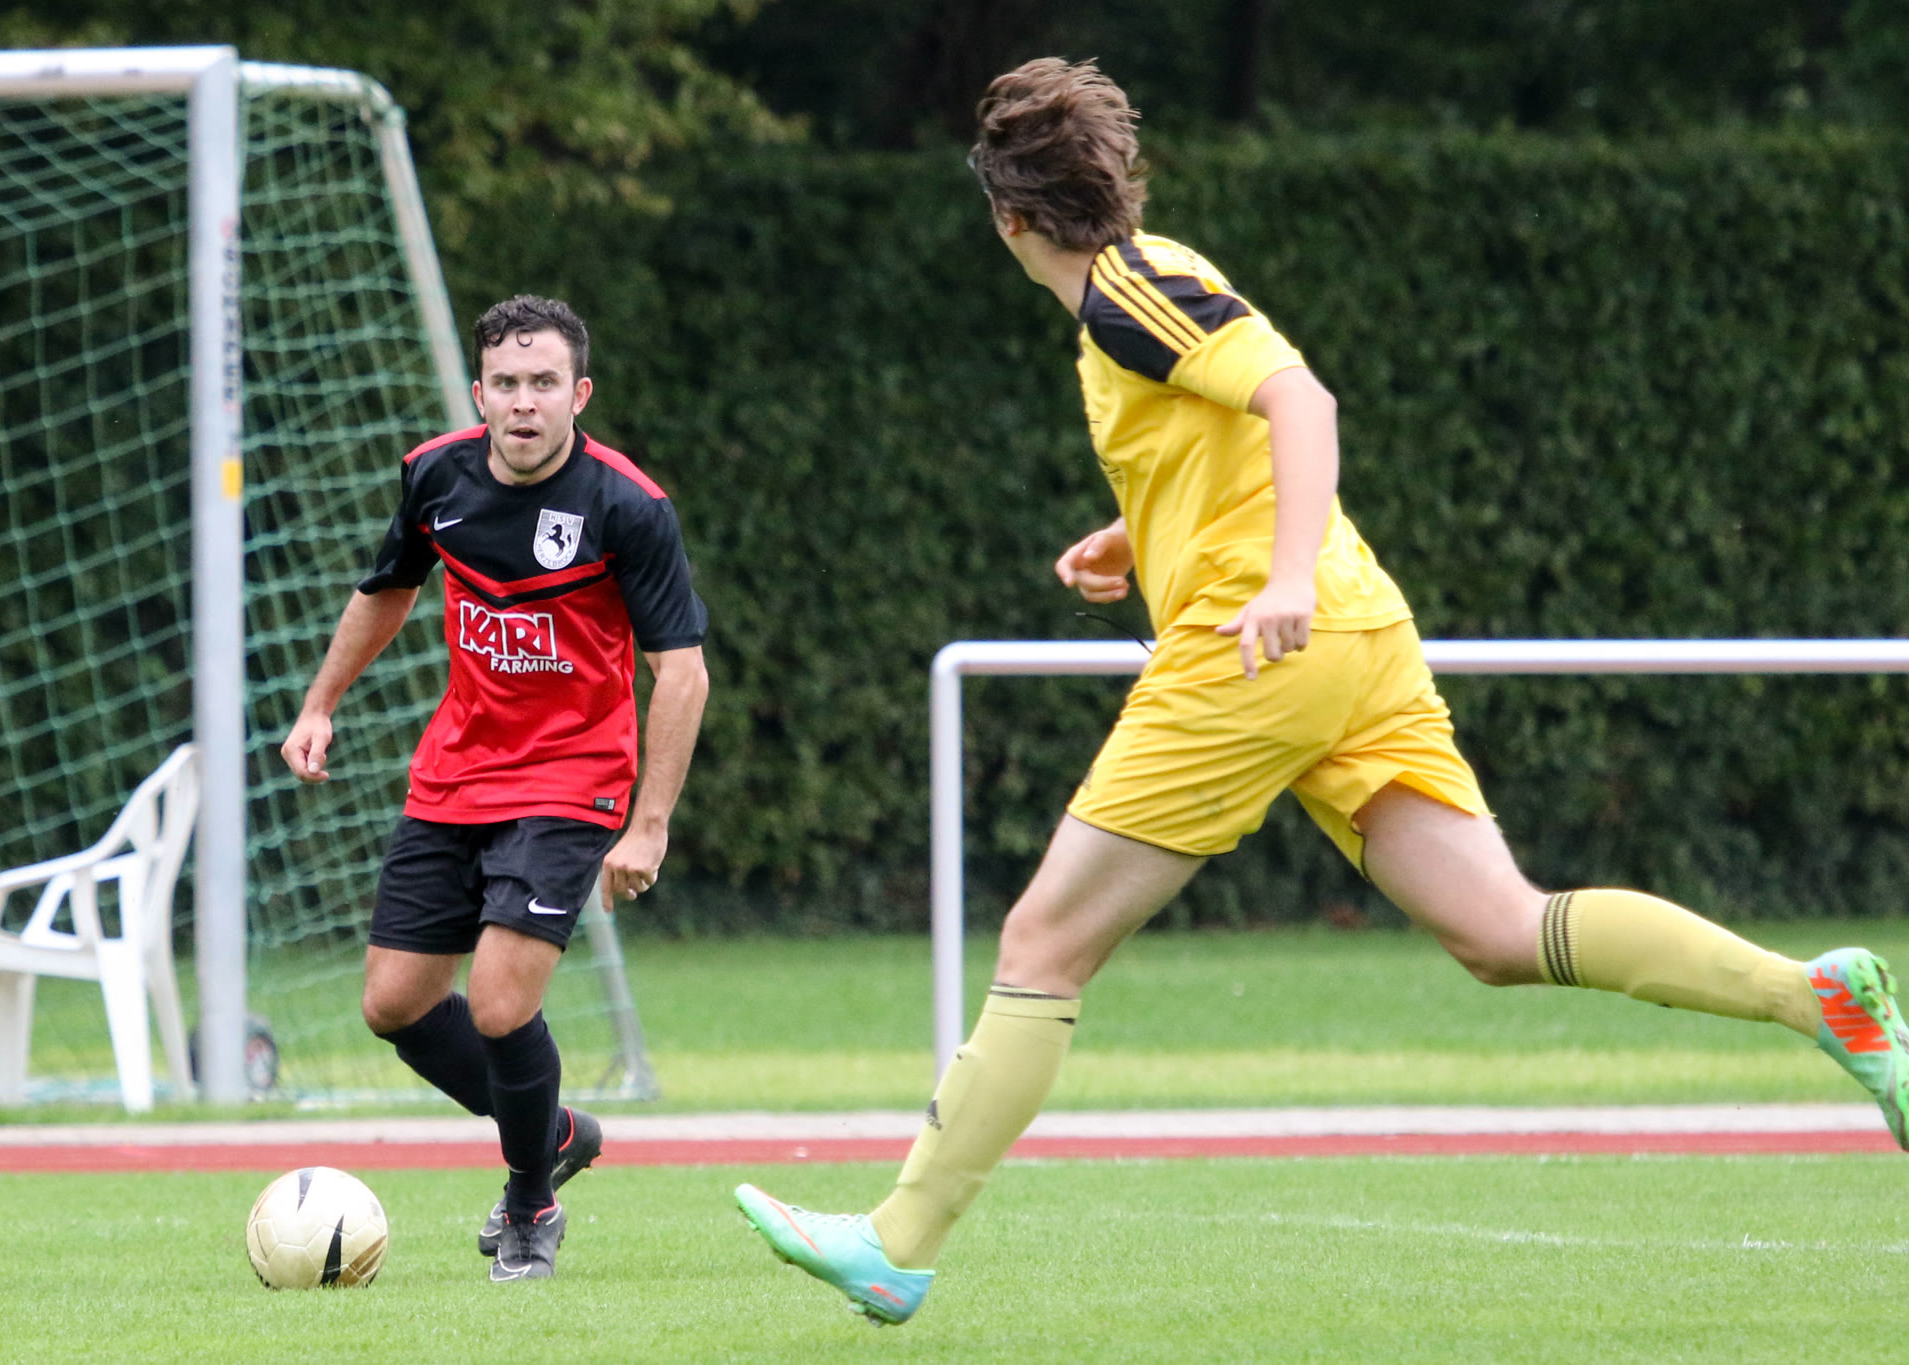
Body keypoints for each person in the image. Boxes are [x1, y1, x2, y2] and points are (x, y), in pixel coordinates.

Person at [735, 57, 1909, 1326]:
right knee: (1502, 932)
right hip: (1353, 638)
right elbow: (1228, 438)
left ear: (1007, 216)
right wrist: (1135, 536)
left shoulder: (1129, 291)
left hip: (1258, 652)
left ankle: (897, 1242)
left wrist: (1280, 577)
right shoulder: (1144, 284)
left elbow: (1300, 402)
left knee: (1041, 945)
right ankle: (1813, 996)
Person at [282, 295, 709, 1283]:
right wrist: (319, 704)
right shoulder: (436, 474)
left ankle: (529, 1203)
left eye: (543, 383)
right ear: (480, 393)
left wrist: (648, 825)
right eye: (506, 383)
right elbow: (388, 588)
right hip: (454, 772)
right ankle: (551, 1131)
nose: (524, 402)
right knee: (393, 1004)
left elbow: (680, 673)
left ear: (578, 393)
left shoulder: (626, 507)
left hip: (572, 778)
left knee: (500, 1004)